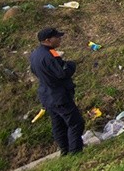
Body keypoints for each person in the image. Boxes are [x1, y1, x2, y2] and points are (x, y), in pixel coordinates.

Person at [29, 27, 85, 156]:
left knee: (58, 124)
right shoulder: (49, 55)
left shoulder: (36, 54)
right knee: (75, 122)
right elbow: (62, 73)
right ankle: (75, 151)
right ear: (48, 40)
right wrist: (71, 65)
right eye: (57, 37)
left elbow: (35, 70)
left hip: (46, 96)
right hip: (58, 95)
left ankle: (64, 150)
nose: (60, 39)